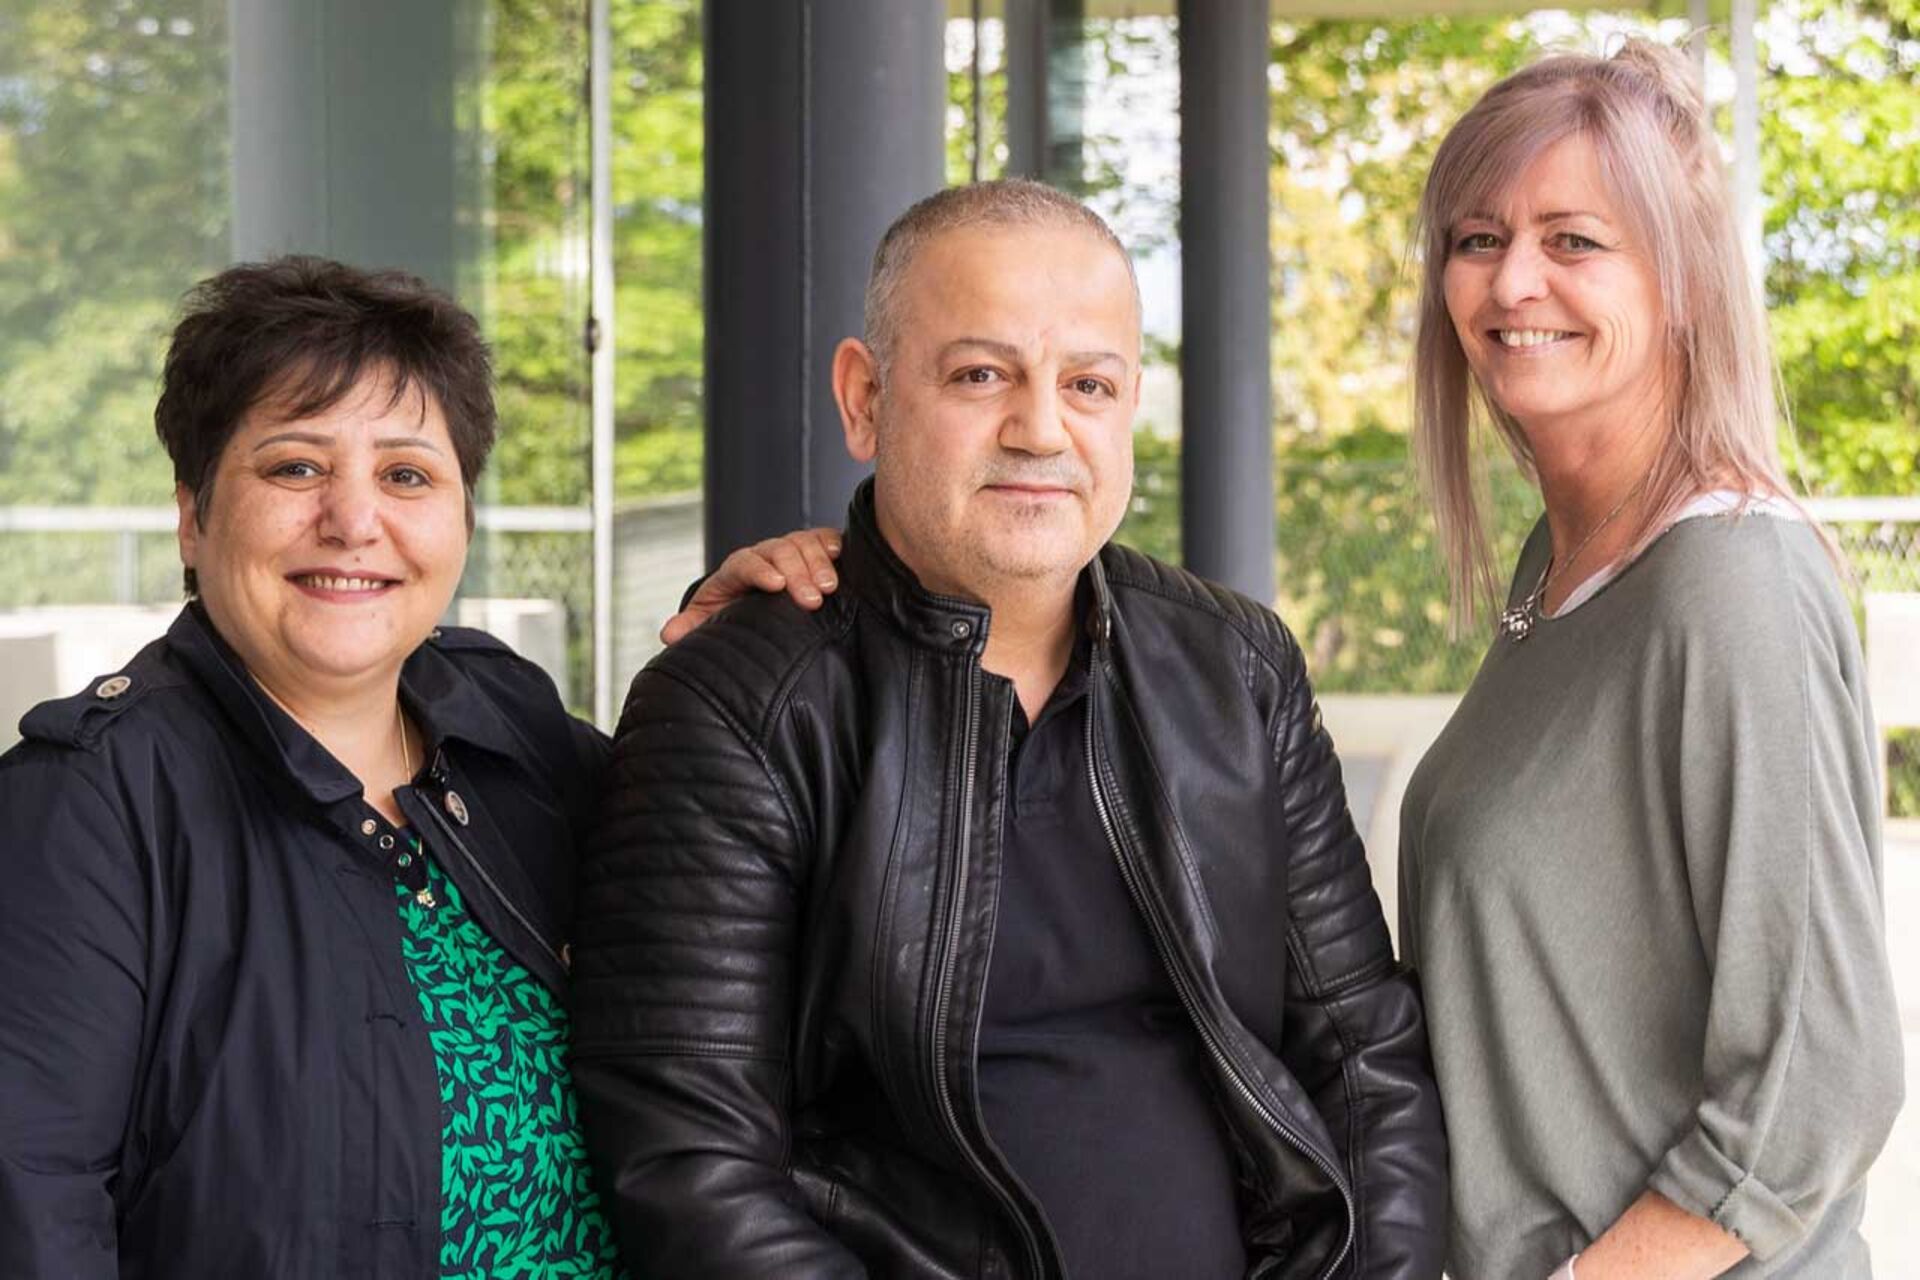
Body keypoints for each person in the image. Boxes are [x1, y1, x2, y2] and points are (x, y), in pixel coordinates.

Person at [571, 178, 1448, 1279]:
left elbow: (1365, 1059)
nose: (1041, 428)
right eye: (981, 374)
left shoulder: (1236, 670)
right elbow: (689, 1166)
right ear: (865, 398)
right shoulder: (736, 706)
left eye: (1088, 384)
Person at [0, 255, 840, 1278]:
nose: (355, 521)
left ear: (463, 519)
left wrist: (752, 655)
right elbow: (31, 1215)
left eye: (406, 475)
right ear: (193, 512)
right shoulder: (85, 805)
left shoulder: (514, 730)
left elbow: (752, 904)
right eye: (295, 468)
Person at [1396, 41, 1904, 1280]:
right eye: (1477, 238)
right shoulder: (1560, 565)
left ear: (1680, 283)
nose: (1513, 280)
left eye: (1573, 240)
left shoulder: (1730, 581)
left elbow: (1818, 1083)